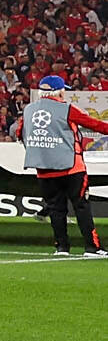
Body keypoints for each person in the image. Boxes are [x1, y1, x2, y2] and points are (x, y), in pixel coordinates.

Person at [18, 75, 108, 258]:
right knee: (81, 207)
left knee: (56, 209)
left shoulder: (29, 110)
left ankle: (62, 248)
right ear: (58, 91)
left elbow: (21, 133)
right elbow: (95, 124)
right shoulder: (66, 109)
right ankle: (92, 248)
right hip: (71, 167)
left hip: (44, 169)